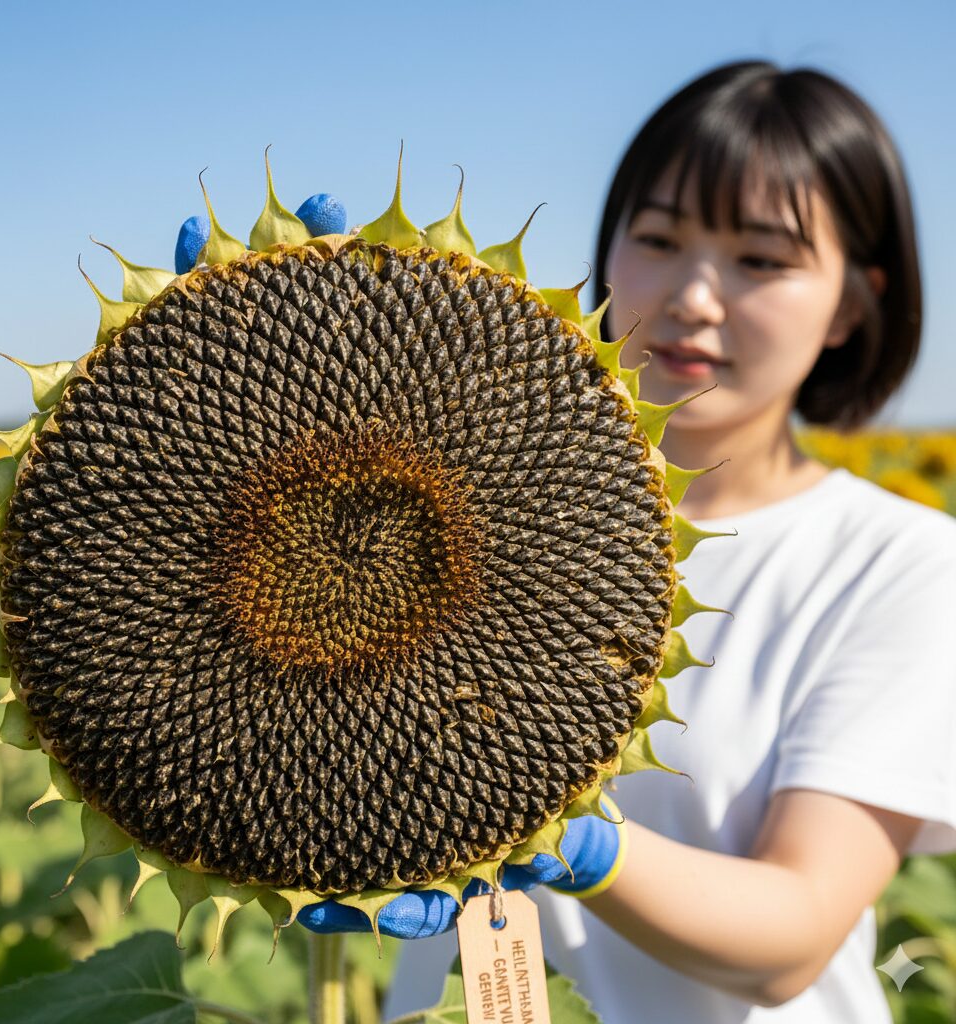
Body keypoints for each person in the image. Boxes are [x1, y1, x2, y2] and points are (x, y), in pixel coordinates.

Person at [310, 61, 956, 1022]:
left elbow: (796, 932)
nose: (696, 296)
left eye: (763, 260)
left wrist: (571, 838)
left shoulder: (898, 561)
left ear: (855, 303)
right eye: (659, 238)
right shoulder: (463, 503)